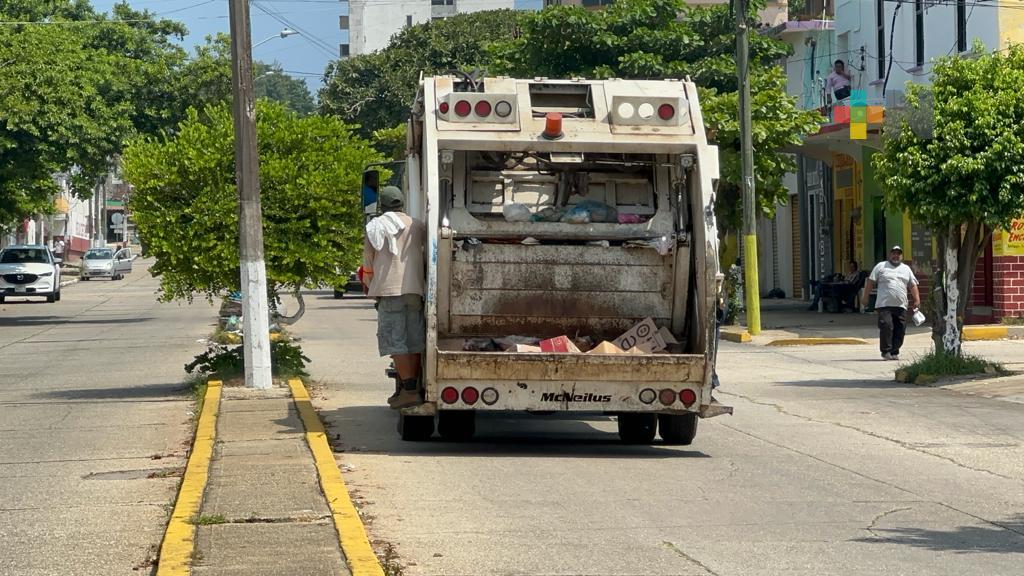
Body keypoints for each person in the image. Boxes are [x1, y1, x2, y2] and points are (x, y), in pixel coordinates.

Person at [361, 186, 426, 409]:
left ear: (383, 205)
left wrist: (370, 287)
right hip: (415, 289)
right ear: (401, 203)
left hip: (389, 292)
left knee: (396, 341)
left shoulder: (375, 227)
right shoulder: (417, 225)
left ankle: (408, 390)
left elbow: (368, 264)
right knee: (415, 339)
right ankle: (413, 388)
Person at [863, 246, 920, 361]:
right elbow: (870, 282)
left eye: (898, 254)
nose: (896, 256)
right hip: (884, 305)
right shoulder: (881, 266)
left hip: (901, 305)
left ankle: (894, 351)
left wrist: (917, 300)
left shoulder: (906, 269)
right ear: (890, 255)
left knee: (900, 329)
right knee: (887, 326)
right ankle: (886, 351)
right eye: (893, 253)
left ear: (901, 256)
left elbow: (912, 285)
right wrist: (865, 297)